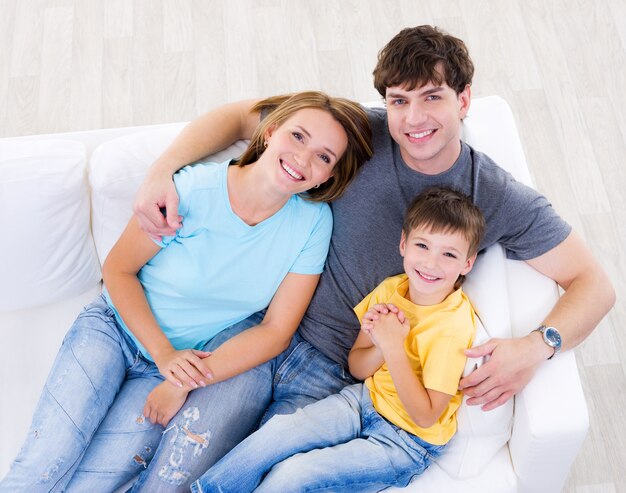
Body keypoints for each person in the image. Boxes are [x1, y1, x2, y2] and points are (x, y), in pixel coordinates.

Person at [129, 25, 615, 491]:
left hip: (335, 373)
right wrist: (162, 172)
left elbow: (595, 285)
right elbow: (237, 117)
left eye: (432, 97)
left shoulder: (495, 195)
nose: (413, 119)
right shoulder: (359, 133)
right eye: (399, 100)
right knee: (171, 463)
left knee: (254, 476)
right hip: (260, 332)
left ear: (464, 100)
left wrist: (537, 346)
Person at [0, 91, 373, 493]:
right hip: (113, 330)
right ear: (269, 132)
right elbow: (118, 271)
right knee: (44, 463)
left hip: (175, 365)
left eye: (324, 157)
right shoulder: (193, 189)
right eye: (298, 137)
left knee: (93, 482)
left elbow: (275, 331)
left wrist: (181, 380)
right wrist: (163, 353)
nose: (304, 158)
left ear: (329, 177)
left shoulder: (313, 225)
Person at [191, 186, 486, 493]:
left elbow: (425, 416)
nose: (431, 263)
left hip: (406, 441)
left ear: (467, 263)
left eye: (449, 254)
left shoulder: (450, 328)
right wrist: (383, 345)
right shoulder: (391, 289)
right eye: (422, 246)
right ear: (403, 243)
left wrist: (395, 346)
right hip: (364, 400)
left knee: (294, 475)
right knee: (278, 432)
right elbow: (357, 366)